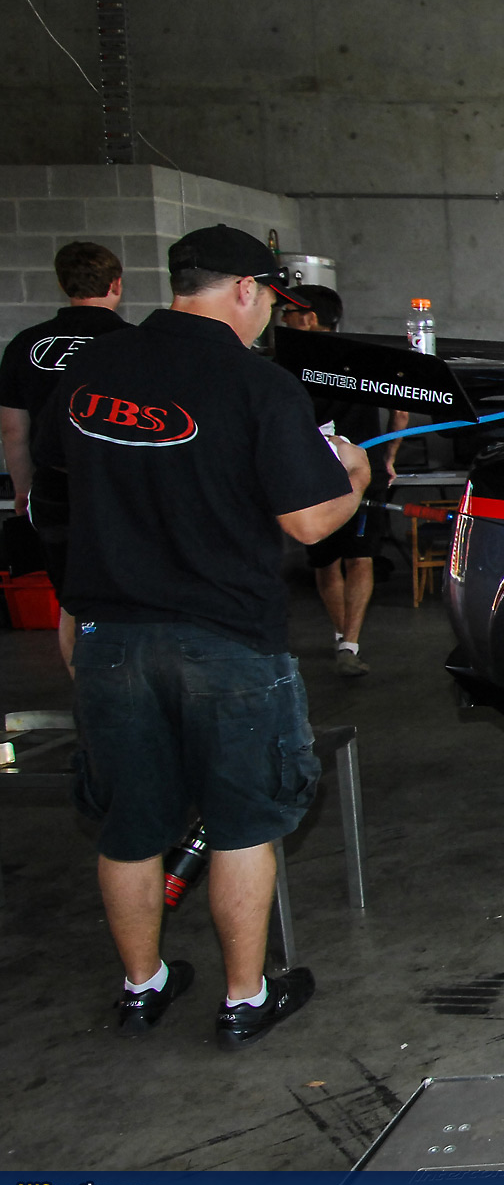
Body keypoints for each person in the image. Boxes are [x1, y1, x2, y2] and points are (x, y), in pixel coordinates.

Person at [33, 224, 369, 1050]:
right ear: (247, 290)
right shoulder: (256, 384)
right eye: (269, 303)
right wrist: (355, 478)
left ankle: (141, 987)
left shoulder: (92, 367)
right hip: (226, 638)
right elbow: (307, 520)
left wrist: (74, 608)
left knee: (128, 825)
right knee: (243, 824)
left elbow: (55, 489)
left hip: (111, 632)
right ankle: (244, 999)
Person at [0, 242, 132, 662]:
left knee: (73, 603)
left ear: (63, 284)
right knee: (131, 595)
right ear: (116, 284)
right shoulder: (136, 344)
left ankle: (89, 692)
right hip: (122, 489)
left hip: (55, 486)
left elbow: (12, 429)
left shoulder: (25, 344)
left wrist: (25, 490)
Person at [280, 285, 407, 678]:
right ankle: (349, 643)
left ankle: (342, 638)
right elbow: (401, 410)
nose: (281, 318)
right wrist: (388, 457)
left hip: (313, 474)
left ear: (309, 318)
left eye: (287, 312)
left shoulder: (288, 363)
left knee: (327, 559)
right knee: (358, 557)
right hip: (363, 471)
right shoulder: (364, 357)